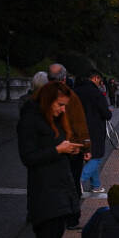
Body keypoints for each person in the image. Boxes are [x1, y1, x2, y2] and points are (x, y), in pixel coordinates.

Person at [17, 81, 84, 238]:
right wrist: (58, 149)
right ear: (47, 101)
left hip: (59, 185)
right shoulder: (30, 120)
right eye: (60, 105)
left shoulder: (52, 119)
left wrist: (69, 150)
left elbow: (52, 150)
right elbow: (28, 157)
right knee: (46, 237)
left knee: (56, 235)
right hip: (44, 188)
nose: (63, 110)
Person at [49, 63, 90, 228]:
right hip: (71, 147)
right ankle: (72, 218)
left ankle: (52, 215)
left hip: (49, 147)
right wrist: (86, 148)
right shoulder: (71, 97)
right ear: (65, 79)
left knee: (52, 182)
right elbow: (80, 124)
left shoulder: (41, 96)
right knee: (72, 182)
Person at [74, 68, 113, 193]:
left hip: (78, 128)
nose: (100, 83)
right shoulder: (96, 93)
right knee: (96, 156)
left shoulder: (75, 91)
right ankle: (78, 180)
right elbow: (106, 113)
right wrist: (108, 112)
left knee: (90, 157)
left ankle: (96, 185)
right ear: (95, 78)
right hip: (95, 129)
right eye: (99, 81)